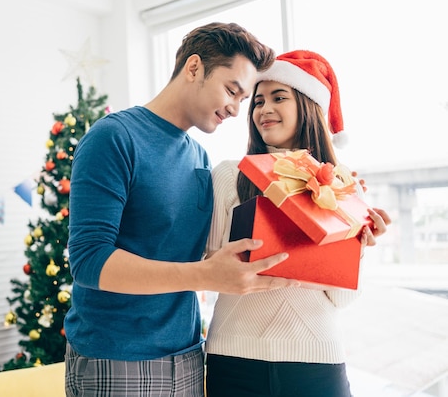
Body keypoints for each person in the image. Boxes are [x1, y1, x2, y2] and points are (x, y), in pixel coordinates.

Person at [63, 22, 301, 397]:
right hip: (117, 359)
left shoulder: (199, 157)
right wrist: (205, 276)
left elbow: (213, 251)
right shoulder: (114, 138)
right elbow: (89, 261)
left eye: (244, 99)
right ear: (193, 68)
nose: (237, 109)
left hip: (189, 356)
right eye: (231, 90)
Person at [204, 50, 391, 397]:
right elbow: (212, 271)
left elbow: (341, 298)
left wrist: (357, 248)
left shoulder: (343, 183)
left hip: (316, 359)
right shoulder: (231, 174)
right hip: (233, 356)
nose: (264, 109)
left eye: (279, 97)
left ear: (307, 106)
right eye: (258, 101)